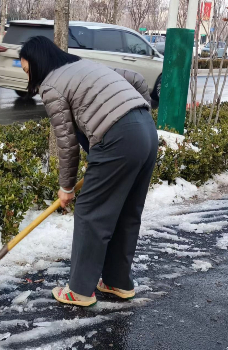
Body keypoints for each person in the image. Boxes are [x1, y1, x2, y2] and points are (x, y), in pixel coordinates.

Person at [19, 36, 158, 307]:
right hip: (146, 133)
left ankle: (80, 290)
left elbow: (67, 143)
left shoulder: (51, 85)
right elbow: (138, 79)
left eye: (27, 70)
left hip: (117, 138)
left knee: (90, 212)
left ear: (39, 64)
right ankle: (117, 282)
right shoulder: (85, 66)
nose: (28, 78)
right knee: (127, 212)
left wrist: (66, 188)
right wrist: (139, 124)